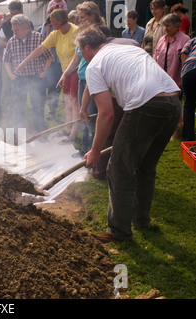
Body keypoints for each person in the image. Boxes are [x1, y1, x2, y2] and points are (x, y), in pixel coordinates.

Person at [76, 26, 181, 243]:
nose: (81, 55)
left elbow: (106, 114)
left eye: (80, 50)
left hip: (147, 105)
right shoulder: (127, 49)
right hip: (172, 103)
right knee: (145, 167)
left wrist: (95, 151)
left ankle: (119, 232)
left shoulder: (94, 65)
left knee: (119, 169)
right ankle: (141, 221)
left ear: (87, 47)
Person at [17, 9, 79, 144]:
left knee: (74, 103)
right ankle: (67, 128)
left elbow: (78, 56)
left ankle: (73, 134)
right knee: (67, 102)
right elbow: (40, 49)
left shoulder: (75, 31)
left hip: (77, 71)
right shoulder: (55, 33)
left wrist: (67, 73)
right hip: (65, 72)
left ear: (59, 20)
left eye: (52, 21)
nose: (49, 23)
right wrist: (24, 62)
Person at [57, 1, 104, 160]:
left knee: (90, 117)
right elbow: (76, 58)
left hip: (95, 79)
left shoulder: (99, 33)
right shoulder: (82, 33)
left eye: (83, 17)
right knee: (82, 114)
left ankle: (93, 151)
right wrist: (65, 74)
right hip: (82, 78)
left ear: (93, 15)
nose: (80, 20)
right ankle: (84, 148)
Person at [4, 14, 53, 135]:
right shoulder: (11, 41)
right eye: (13, 30)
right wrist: (11, 75)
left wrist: (44, 71)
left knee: (38, 106)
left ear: (26, 28)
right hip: (19, 79)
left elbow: (49, 56)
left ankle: (39, 133)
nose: (14, 33)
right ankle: (18, 134)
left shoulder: (38, 38)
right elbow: (6, 60)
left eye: (17, 30)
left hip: (36, 78)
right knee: (18, 107)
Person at [154, 13, 190, 140]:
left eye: (168, 26)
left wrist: (182, 78)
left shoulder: (184, 39)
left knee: (175, 105)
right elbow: (156, 56)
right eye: (165, 26)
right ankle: (164, 129)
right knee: (162, 103)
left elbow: (186, 61)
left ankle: (176, 131)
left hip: (176, 78)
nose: (166, 29)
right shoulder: (162, 39)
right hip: (161, 77)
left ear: (176, 26)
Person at [180, 37, 196, 141]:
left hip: (189, 71)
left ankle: (187, 138)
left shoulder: (193, 40)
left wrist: (183, 70)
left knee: (189, 105)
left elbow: (183, 54)